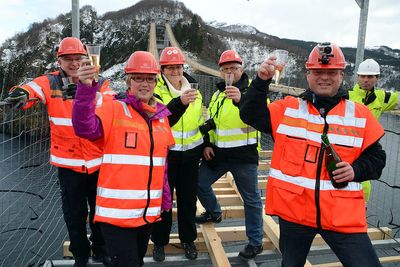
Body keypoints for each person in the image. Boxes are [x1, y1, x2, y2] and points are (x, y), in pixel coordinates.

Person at [240, 42, 386, 267]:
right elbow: (249, 114)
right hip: (295, 215)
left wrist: (356, 170)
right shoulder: (288, 109)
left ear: (341, 75)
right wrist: (261, 81)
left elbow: (377, 160)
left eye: (331, 72)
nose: (324, 77)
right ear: (308, 75)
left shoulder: (360, 115)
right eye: (318, 72)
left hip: (342, 216)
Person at [4, 37, 112, 267]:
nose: (73, 63)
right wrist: (20, 93)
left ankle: (101, 249)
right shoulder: (50, 82)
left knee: (100, 212)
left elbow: (109, 104)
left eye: (78, 58)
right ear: (59, 61)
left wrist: (86, 89)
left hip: (98, 161)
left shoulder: (100, 82)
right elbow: (31, 89)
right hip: (69, 164)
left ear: (85, 58)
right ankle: (80, 255)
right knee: (74, 216)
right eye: (68, 59)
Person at [72, 51, 177, 266]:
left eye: (149, 78)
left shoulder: (161, 118)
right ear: (128, 80)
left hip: (146, 213)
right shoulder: (114, 108)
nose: (144, 84)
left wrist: (165, 198)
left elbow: (161, 165)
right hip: (116, 216)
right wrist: (85, 88)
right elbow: (85, 128)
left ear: (156, 82)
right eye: (138, 78)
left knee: (136, 261)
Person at [195, 50, 264, 260]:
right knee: (199, 182)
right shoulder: (218, 93)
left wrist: (241, 100)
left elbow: (262, 117)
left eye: (233, 68)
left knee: (251, 200)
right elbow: (216, 122)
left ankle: (255, 242)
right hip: (220, 154)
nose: (229, 72)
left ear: (241, 70)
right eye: (225, 69)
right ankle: (215, 212)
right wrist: (207, 143)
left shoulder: (253, 91)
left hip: (244, 156)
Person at [150, 47, 203, 261]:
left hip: (191, 154)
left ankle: (188, 240)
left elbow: (199, 121)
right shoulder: (155, 90)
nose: (175, 71)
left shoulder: (195, 91)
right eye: (170, 67)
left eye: (178, 66)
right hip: (166, 154)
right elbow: (160, 120)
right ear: (162, 69)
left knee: (188, 200)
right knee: (163, 200)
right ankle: (160, 242)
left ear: (183, 67)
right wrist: (179, 103)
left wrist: (205, 144)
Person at [349, 58, 400, 202]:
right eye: (363, 76)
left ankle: (360, 213)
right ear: (357, 77)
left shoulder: (382, 98)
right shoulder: (346, 96)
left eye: (370, 76)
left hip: (366, 150)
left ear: (377, 78)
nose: (366, 80)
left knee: (364, 184)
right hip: (346, 147)